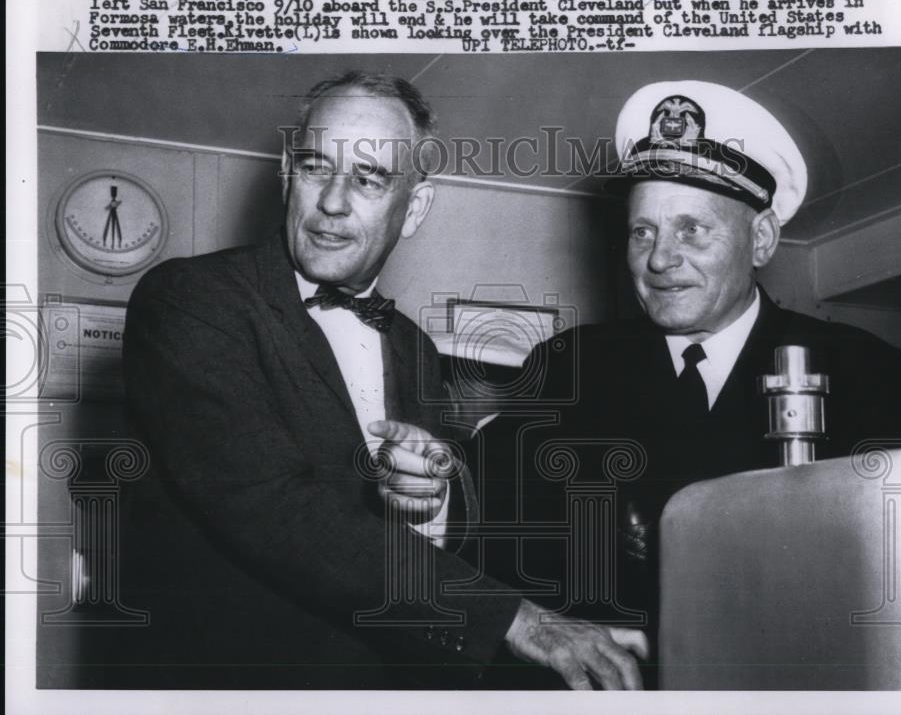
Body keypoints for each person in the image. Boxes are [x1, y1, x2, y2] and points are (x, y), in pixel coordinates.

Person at [109, 71, 646, 690]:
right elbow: (275, 508)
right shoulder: (192, 300)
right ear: (288, 172)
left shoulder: (414, 346)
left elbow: (448, 520)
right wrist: (517, 620)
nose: (333, 202)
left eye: (369, 179)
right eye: (315, 168)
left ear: (413, 207)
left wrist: (434, 499)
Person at [473, 80, 901, 686]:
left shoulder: (860, 369)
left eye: (692, 230)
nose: (659, 259)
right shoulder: (567, 364)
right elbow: (492, 542)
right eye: (643, 231)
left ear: (760, 239)